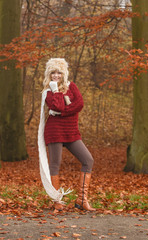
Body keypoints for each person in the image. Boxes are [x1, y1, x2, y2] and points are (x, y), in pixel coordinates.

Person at [39, 58, 95, 211]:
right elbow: (56, 105)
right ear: (49, 74)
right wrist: (56, 90)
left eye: (59, 73)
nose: (56, 75)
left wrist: (61, 112)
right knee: (55, 165)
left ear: (64, 73)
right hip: (54, 131)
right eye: (53, 73)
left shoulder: (72, 86)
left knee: (88, 160)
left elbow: (80, 104)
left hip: (71, 131)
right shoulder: (48, 91)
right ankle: (57, 201)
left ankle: (82, 199)